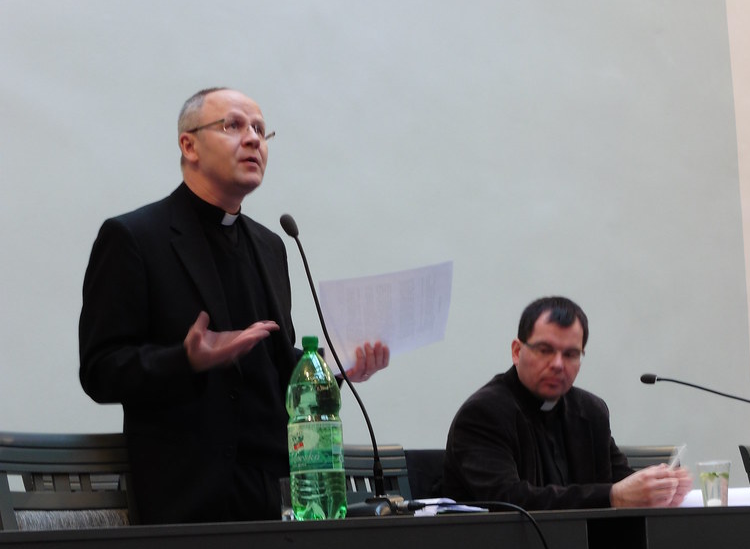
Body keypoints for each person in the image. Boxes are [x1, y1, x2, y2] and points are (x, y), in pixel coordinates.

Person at [79, 87, 388, 524]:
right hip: (189, 499)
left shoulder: (271, 245)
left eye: (261, 130)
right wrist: (186, 359)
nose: (253, 139)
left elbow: (274, 366)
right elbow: (100, 371)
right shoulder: (135, 238)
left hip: (279, 495)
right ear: (189, 145)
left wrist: (333, 367)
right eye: (234, 126)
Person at [442, 296, 691, 510]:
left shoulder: (591, 411)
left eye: (571, 354)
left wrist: (658, 491)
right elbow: (508, 501)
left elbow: (620, 481)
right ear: (517, 351)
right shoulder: (483, 414)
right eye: (545, 350)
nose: (558, 364)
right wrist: (613, 496)